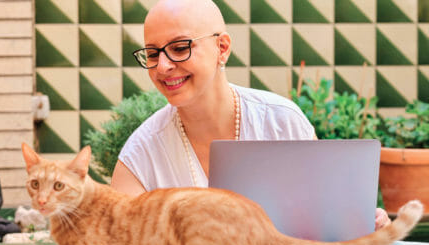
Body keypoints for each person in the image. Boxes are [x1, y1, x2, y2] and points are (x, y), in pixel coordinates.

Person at [110, 0, 391, 230]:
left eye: (180, 48)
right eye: (151, 53)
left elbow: (332, 222)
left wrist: (368, 226)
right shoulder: (139, 156)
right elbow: (120, 244)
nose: (162, 66)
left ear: (222, 48)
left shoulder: (282, 122)